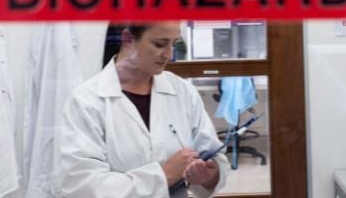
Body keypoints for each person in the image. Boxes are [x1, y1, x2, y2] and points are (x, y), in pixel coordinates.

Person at [56, 22, 228, 198]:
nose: (169, 54)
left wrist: (209, 176)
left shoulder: (183, 92)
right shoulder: (86, 100)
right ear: (128, 39)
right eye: (160, 44)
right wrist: (165, 175)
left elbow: (213, 156)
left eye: (174, 43)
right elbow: (82, 186)